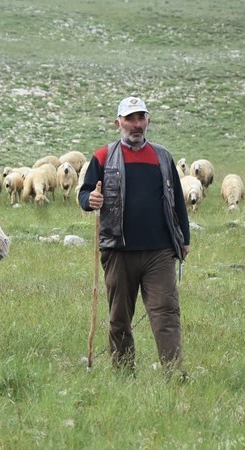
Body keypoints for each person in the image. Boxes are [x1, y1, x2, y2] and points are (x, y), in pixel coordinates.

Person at [78, 96, 191, 378]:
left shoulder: (162, 156)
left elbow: (177, 200)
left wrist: (184, 238)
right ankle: (123, 374)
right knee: (119, 318)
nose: (136, 125)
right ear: (118, 123)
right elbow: (85, 192)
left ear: (148, 121)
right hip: (118, 249)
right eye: (130, 119)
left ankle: (174, 373)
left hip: (159, 251)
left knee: (166, 312)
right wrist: (88, 199)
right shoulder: (104, 156)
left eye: (141, 118)